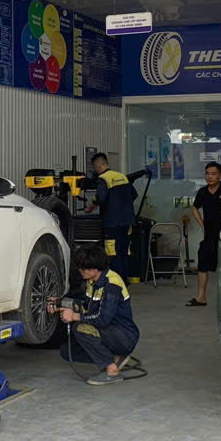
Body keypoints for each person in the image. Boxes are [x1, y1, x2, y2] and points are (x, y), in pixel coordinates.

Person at [58, 243, 140, 384]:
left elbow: (102, 319)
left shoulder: (112, 285)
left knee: (80, 328)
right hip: (109, 332)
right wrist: (61, 304)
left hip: (123, 335)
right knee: (68, 352)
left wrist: (74, 316)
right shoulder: (92, 281)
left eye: (83, 267)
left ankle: (112, 371)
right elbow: (87, 307)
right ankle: (115, 357)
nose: (79, 270)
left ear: (95, 268)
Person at [186, 161, 221, 307]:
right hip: (209, 236)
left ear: (220, 175)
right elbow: (194, 208)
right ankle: (201, 298)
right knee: (202, 266)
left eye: (213, 174)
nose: (210, 177)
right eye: (207, 174)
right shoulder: (203, 192)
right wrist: (202, 225)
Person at [86, 152, 138, 283]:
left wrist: (90, 207)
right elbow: (134, 194)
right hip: (127, 222)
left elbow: (100, 198)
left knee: (112, 252)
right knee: (124, 251)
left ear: (98, 166)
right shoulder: (122, 177)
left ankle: (114, 282)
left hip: (112, 223)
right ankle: (124, 281)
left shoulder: (103, 179)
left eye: (95, 168)